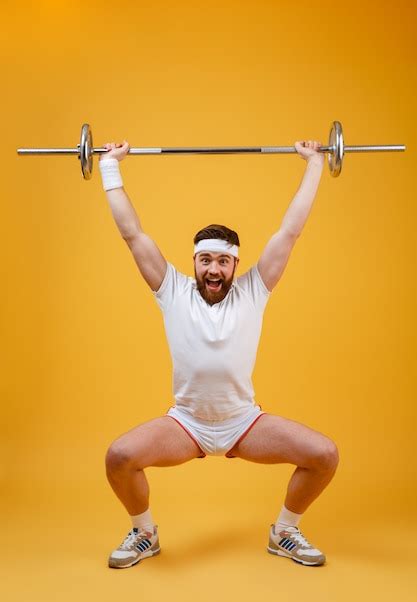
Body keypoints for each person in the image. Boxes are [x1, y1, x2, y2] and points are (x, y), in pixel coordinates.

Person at [99, 136, 339, 569]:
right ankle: (144, 533)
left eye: (223, 262)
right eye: (205, 260)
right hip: (186, 423)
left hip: (243, 422)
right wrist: (111, 167)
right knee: (119, 457)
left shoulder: (254, 289)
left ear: (235, 265)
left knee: (324, 455)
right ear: (194, 262)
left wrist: (314, 163)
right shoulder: (171, 290)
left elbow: (291, 230)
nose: (214, 269)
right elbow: (132, 234)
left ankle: (284, 530)